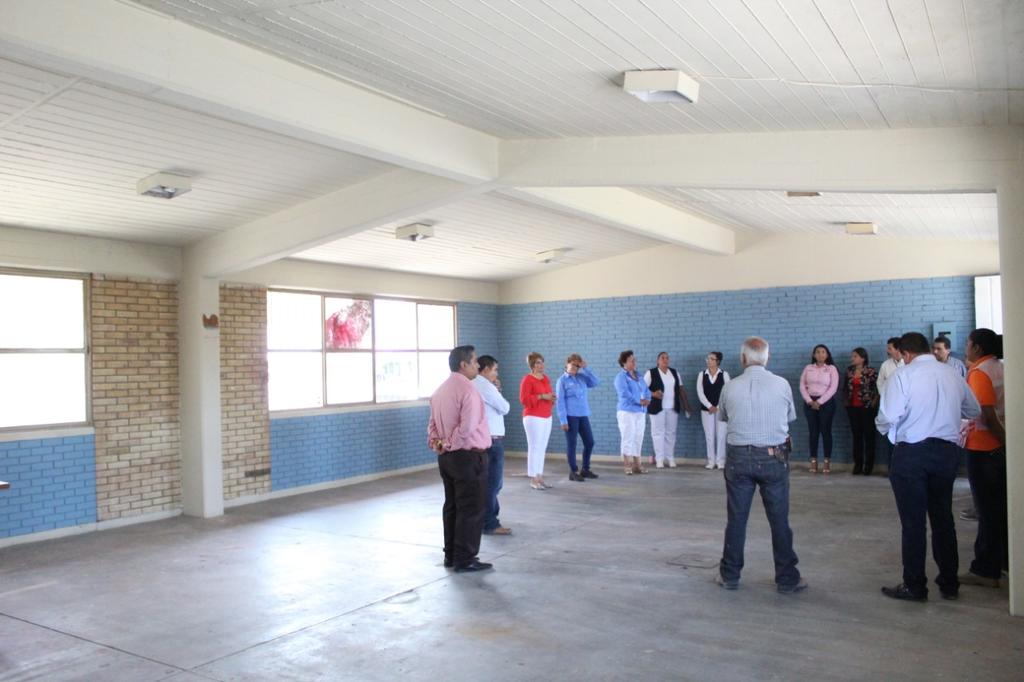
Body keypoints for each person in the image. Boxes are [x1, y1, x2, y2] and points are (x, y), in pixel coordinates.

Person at [875, 332, 981, 601]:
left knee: (913, 523)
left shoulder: (903, 375)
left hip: (911, 453)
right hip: (946, 453)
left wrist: (889, 431)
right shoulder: (952, 374)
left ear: (906, 354)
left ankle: (915, 585)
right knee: (943, 518)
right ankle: (949, 583)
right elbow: (974, 410)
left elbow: (887, 416)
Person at [715, 337, 806, 594]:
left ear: (743, 358)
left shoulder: (730, 386)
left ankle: (730, 575)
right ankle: (787, 579)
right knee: (779, 520)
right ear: (767, 358)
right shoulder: (782, 384)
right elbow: (789, 416)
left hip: (738, 459)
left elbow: (724, 416)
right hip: (774, 457)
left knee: (736, 519)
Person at [427, 345, 493, 573]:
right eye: (475, 361)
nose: (478, 365)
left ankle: (451, 555)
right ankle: (465, 559)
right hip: (468, 457)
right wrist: (450, 443)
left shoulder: (440, 391)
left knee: (453, 506)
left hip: (446, 459)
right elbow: (467, 428)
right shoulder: (469, 391)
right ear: (463, 364)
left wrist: (439, 444)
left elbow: (432, 425)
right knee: (471, 508)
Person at [960, 328, 1007, 588]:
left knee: (987, 510)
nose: (966, 347)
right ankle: (1005, 562)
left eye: (968, 343)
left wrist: (1003, 442)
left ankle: (986, 570)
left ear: (977, 347)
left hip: (984, 447)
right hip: (998, 447)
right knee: (999, 508)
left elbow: (986, 414)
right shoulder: (1000, 367)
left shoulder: (980, 372)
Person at [473, 355, 512, 536]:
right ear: (486, 369)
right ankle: (489, 522)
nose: (496, 373)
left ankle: (487, 519)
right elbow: (505, 408)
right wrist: (497, 391)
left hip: (482, 439)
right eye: (495, 370)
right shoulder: (485, 386)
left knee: (488, 483)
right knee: (493, 483)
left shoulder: (473, 384)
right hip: (491, 440)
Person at [555, 353, 600, 482]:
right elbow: (560, 402)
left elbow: (596, 382)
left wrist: (586, 368)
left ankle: (585, 469)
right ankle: (573, 471)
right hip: (570, 417)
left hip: (583, 415)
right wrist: (563, 420)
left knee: (589, 442)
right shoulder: (562, 381)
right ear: (567, 364)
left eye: (577, 365)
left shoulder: (582, 377)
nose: (575, 367)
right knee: (572, 444)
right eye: (572, 364)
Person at [644, 352, 692, 469]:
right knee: (658, 433)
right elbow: (642, 389)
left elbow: (681, 390)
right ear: (658, 361)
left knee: (671, 433)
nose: (665, 360)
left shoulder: (674, 373)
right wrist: (653, 394)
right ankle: (659, 459)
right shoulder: (651, 373)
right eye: (662, 358)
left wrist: (686, 405)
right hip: (657, 408)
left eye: (667, 358)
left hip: (672, 407)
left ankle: (670, 458)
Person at [799, 344, 840, 474]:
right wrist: (809, 401)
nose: (820, 354)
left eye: (823, 352)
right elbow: (802, 385)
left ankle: (827, 461)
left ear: (827, 355)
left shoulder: (831, 369)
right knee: (813, 432)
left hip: (826, 403)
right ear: (814, 355)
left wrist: (820, 402)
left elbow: (833, 387)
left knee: (825, 432)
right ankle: (813, 460)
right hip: (810, 403)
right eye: (817, 352)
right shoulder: (808, 368)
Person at [520, 352, 555, 490]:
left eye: (542, 362)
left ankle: (539, 477)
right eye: (538, 363)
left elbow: (548, 394)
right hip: (533, 417)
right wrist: (541, 396)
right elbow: (524, 399)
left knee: (542, 447)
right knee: (534, 447)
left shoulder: (545, 378)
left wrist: (552, 398)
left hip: (547, 415)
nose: (541, 365)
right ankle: (533, 479)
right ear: (532, 365)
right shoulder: (527, 379)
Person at [614, 350, 651, 475]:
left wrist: (647, 400)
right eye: (631, 360)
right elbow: (624, 394)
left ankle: (637, 465)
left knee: (638, 437)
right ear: (624, 363)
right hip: (627, 412)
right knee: (628, 437)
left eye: (635, 360)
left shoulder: (639, 376)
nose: (635, 362)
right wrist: (639, 401)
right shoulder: (620, 377)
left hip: (640, 411)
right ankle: (627, 465)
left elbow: (646, 390)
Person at [844, 348, 879, 475]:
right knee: (856, 436)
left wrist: (874, 402)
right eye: (852, 356)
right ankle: (858, 464)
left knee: (869, 436)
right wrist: (845, 402)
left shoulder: (871, 371)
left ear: (863, 358)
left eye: (855, 356)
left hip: (867, 407)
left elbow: (878, 388)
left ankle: (868, 466)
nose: (852, 358)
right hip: (852, 407)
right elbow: (845, 388)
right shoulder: (849, 371)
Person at [697, 351, 730, 470]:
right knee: (709, 436)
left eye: (711, 359)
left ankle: (721, 461)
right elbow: (700, 392)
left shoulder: (724, 374)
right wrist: (709, 406)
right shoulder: (702, 375)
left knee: (721, 435)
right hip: (706, 410)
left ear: (718, 361)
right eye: (708, 358)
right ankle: (711, 461)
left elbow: (727, 392)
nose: (708, 361)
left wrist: (718, 407)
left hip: (721, 410)